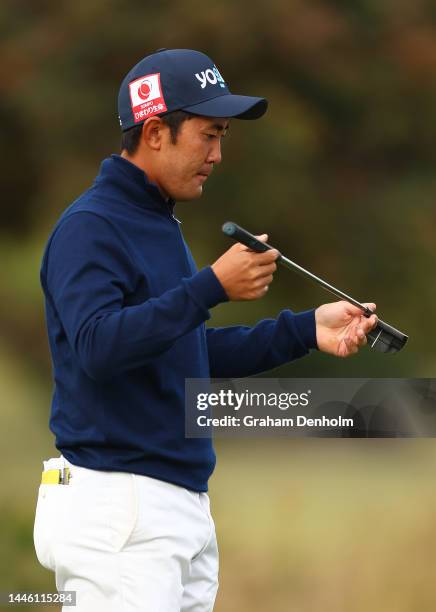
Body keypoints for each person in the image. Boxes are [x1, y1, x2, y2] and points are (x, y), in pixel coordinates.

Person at [33, 48, 377, 612]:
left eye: (223, 137)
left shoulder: (156, 222)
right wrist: (211, 286)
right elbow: (98, 347)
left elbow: (180, 349)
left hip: (170, 507)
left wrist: (302, 330)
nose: (217, 154)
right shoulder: (91, 227)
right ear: (154, 133)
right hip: (119, 509)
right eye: (208, 134)